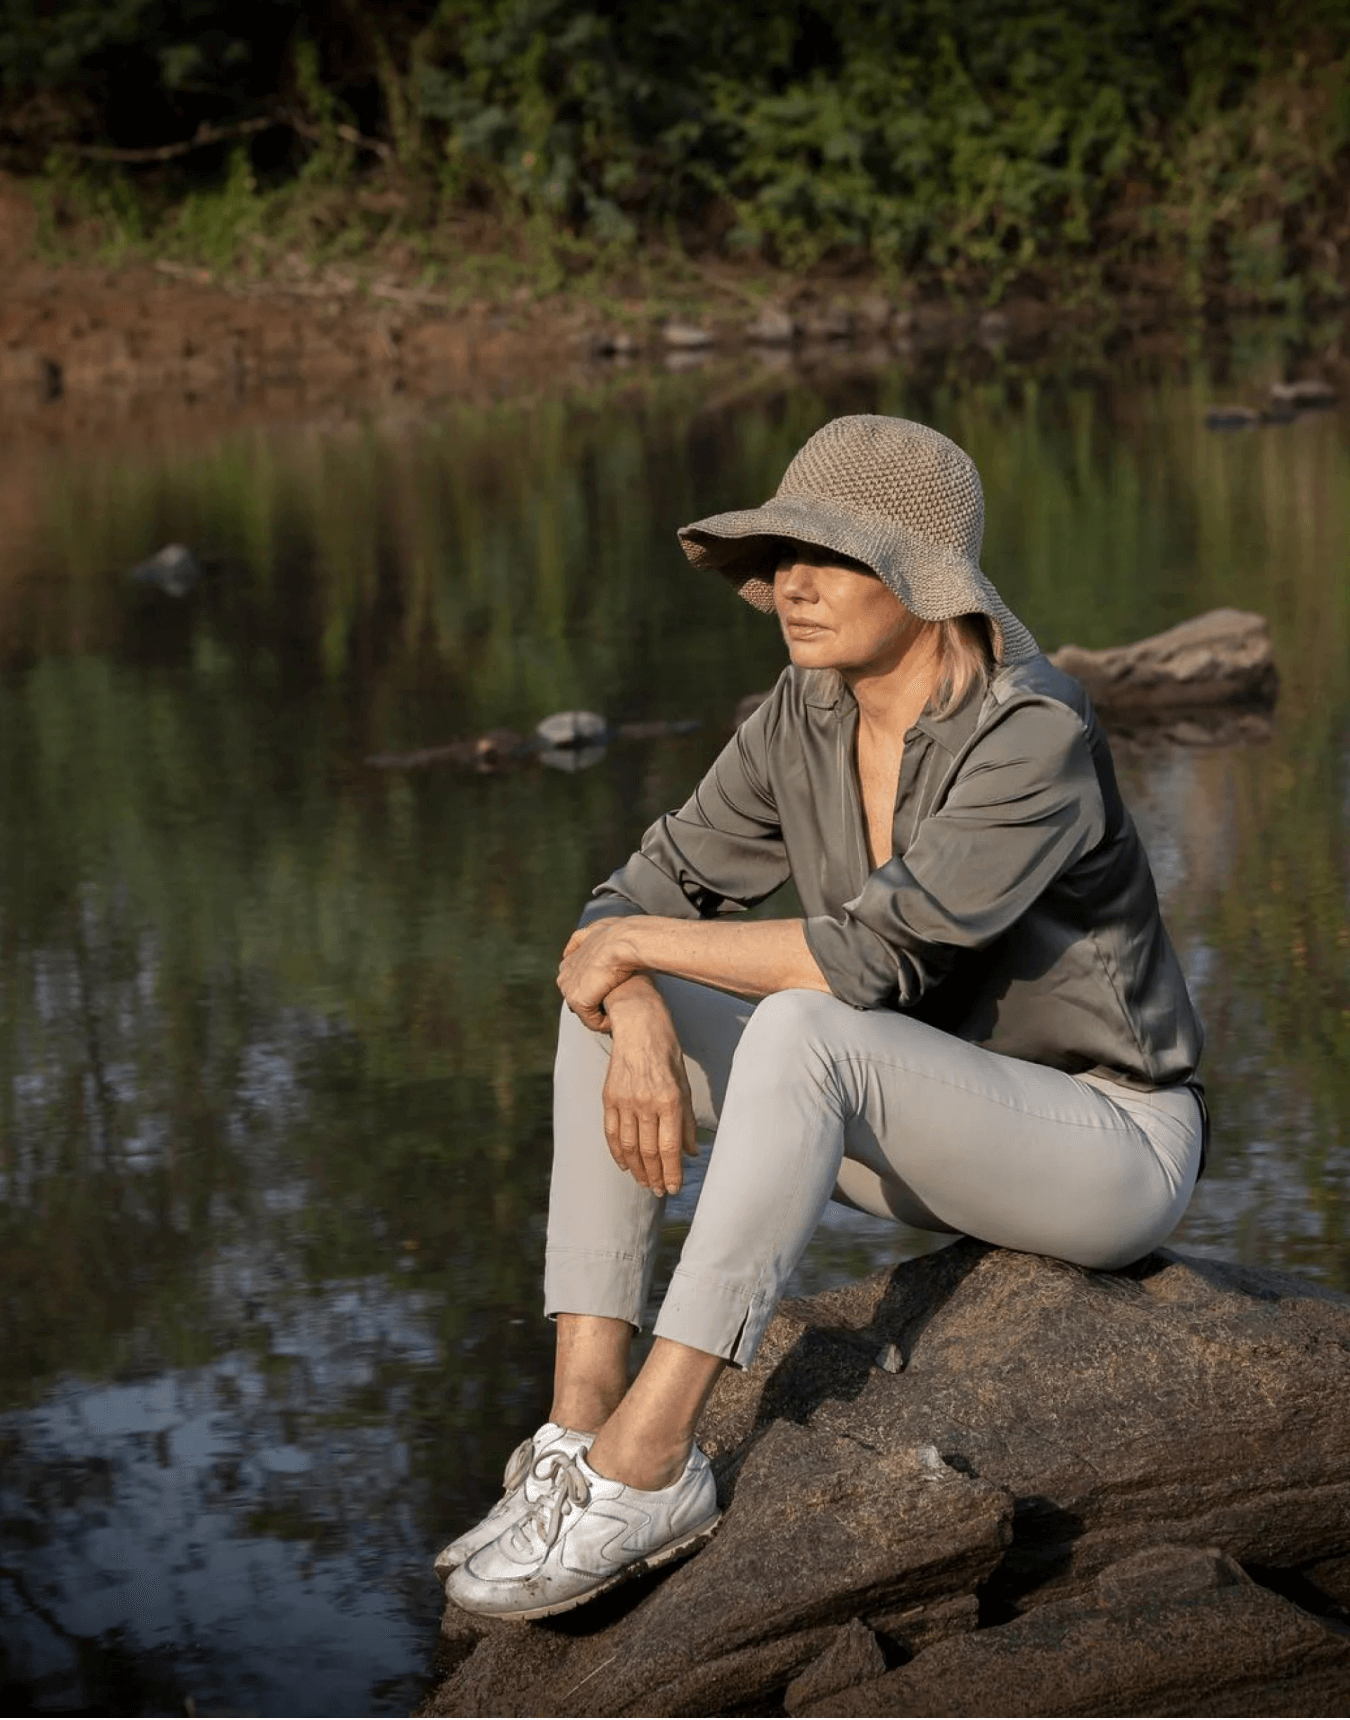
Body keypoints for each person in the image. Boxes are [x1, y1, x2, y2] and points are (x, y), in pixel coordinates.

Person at [437, 414, 1205, 1623]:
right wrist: (632, 994)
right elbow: (628, 903)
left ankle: (652, 1461)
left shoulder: (1034, 729)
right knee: (603, 1010)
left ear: (926, 578)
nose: (790, 582)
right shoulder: (804, 711)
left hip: (1109, 1144)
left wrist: (633, 945)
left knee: (799, 1021)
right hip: (920, 1117)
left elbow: (871, 958)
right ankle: (577, 1431)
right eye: (782, 553)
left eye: (831, 555)